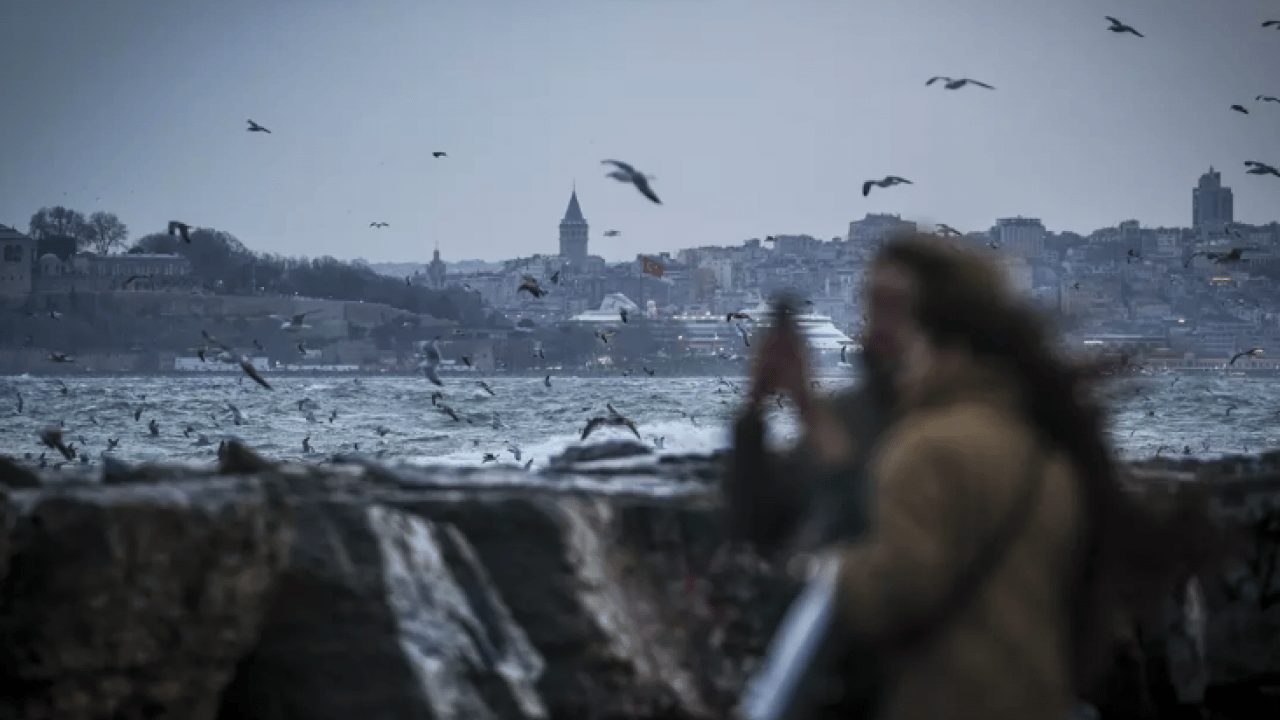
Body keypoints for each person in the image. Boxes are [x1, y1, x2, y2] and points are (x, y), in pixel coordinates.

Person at [737, 232, 1228, 720]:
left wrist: (836, 569)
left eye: (894, 306)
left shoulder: (935, 439)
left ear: (943, 325)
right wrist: (758, 416)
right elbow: (762, 518)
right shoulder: (1032, 432)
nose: (874, 327)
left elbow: (892, 580)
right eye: (870, 304)